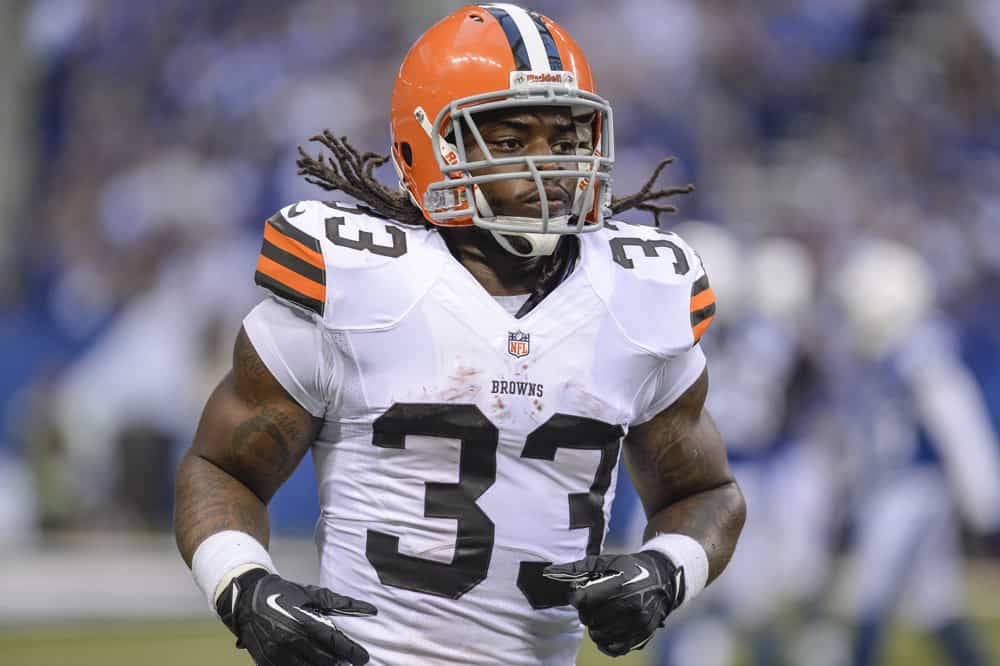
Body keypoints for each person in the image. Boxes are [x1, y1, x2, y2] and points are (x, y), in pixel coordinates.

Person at [173, 4, 745, 665]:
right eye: (509, 141)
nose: (549, 166)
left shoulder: (636, 295)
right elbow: (220, 466)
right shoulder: (363, 283)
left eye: (565, 140)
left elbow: (706, 493)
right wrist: (242, 585)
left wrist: (667, 570)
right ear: (431, 147)